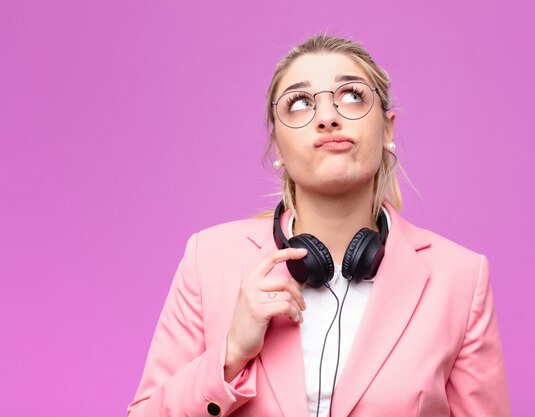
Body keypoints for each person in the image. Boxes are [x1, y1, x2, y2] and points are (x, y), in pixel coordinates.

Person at [127, 34, 511, 417]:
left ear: (388, 129)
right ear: (277, 146)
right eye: (300, 103)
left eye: (352, 96)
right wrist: (230, 354)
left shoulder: (461, 277)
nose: (328, 117)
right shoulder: (207, 259)